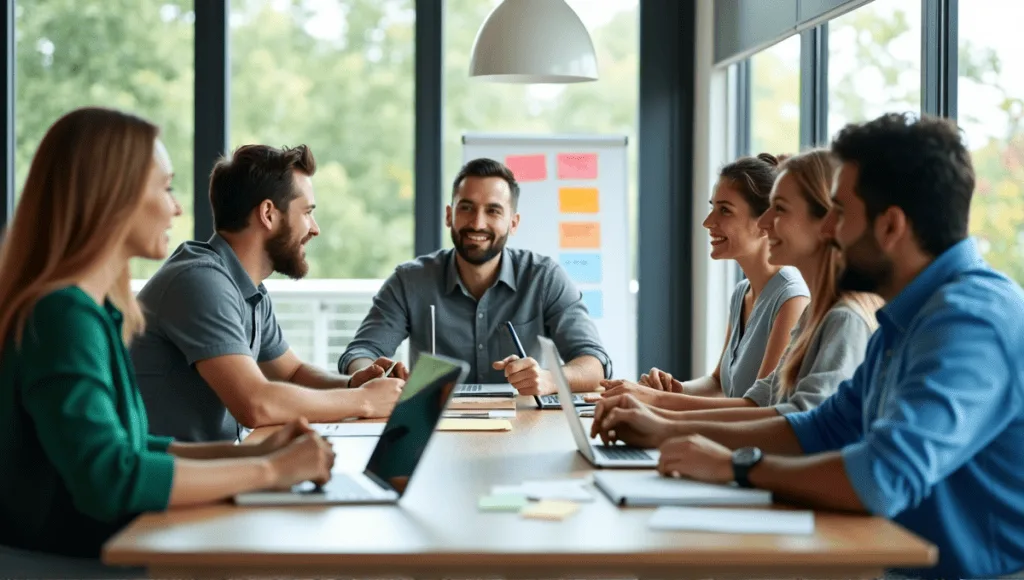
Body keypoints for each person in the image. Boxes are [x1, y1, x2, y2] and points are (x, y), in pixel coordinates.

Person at [591, 113, 1024, 580]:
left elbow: (880, 477)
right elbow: (822, 426)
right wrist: (664, 432)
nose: (828, 230)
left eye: (839, 213)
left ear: (891, 227)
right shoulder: (908, 317)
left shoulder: (970, 321)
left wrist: (738, 467)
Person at [0, 107, 335, 558]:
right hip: (79, 558)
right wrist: (270, 471)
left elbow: (138, 447)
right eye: (166, 187)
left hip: (114, 543)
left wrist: (254, 456)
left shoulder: (97, 312)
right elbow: (111, 478)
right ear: (112, 197)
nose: (177, 206)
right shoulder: (60, 316)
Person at [131, 144, 404, 442]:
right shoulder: (199, 282)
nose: (315, 229)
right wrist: (363, 401)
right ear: (268, 214)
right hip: (175, 479)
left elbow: (291, 373)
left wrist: (353, 385)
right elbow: (254, 404)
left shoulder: (246, 287)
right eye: (307, 213)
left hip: (212, 466)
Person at [600, 150, 883, 420]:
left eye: (779, 209)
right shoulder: (804, 310)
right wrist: (662, 400)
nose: (768, 221)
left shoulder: (817, 307)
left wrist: (658, 409)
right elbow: (755, 397)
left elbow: (774, 414)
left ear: (826, 221)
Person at [338, 158, 611, 395]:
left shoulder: (543, 278)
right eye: (466, 207)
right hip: (435, 426)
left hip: (523, 424)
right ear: (449, 215)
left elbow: (594, 362)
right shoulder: (409, 281)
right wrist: (371, 375)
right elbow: (361, 353)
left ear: (513, 223)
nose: (478, 223)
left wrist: (551, 379)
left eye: (493, 210)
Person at [619, 154, 810, 401]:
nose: (708, 222)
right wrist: (668, 389)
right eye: (713, 207)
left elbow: (758, 407)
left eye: (725, 211)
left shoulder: (792, 299)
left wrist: (654, 401)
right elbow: (718, 384)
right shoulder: (742, 292)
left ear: (765, 222)